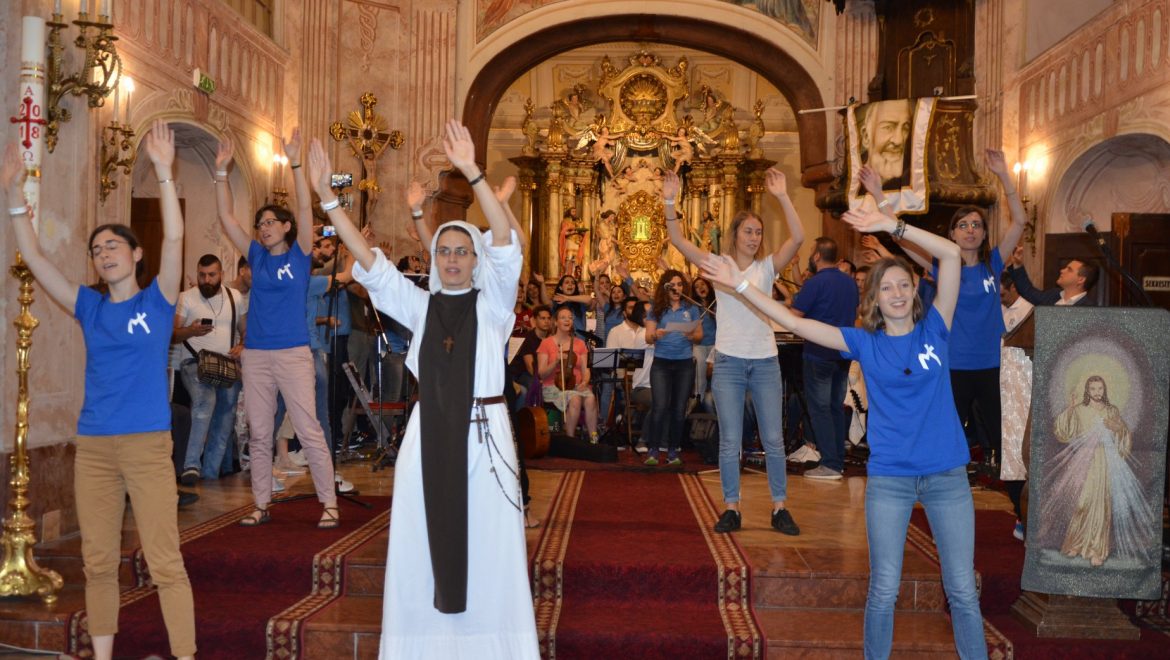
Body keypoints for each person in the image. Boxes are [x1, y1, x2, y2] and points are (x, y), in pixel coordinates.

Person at [700, 207, 985, 660]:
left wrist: (891, 227)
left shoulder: (936, 328)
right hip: (890, 478)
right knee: (884, 588)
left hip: (947, 475)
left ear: (915, 292)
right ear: (874, 298)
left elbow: (951, 255)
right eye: (886, 287)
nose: (896, 293)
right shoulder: (864, 342)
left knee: (963, 590)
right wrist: (741, 285)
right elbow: (796, 323)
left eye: (903, 285)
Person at [308, 120, 538, 657]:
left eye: (462, 251)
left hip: (484, 438)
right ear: (435, 260)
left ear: (476, 261)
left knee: (490, 546)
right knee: (422, 541)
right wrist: (328, 201)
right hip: (428, 437)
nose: (452, 258)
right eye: (444, 251)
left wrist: (473, 171)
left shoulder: (494, 306)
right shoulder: (419, 306)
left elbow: (505, 241)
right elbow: (370, 264)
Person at [4, 124, 196, 660]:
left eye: (113, 245)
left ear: (136, 254)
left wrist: (164, 171)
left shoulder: (157, 301)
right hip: (93, 448)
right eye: (95, 249)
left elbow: (175, 239)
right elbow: (37, 260)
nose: (103, 253)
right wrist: (13, 197)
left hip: (146, 445)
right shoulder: (89, 307)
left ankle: (185, 654)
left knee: (165, 561)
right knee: (98, 562)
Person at [664, 168, 803, 535]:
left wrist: (783, 196)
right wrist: (669, 200)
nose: (754, 238)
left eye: (759, 232)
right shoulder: (718, 265)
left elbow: (798, 237)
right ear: (735, 234)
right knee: (729, 441)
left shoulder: (767, 268)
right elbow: (677, 239)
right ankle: (732, 508)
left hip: (765, 362)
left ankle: (780, 507)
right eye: (748, 231)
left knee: (773, 439)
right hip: (728, 361)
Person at [214, 128, 338, 529]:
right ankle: (261, 503)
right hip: (256, 355)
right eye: (260, 223)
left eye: (271, 222)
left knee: (308, 429)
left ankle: (329, 503)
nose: (263, 227)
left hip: (293, 353)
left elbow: (303, 206)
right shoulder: (256, 256)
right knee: (259, 433)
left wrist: (296, 162)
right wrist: (221, 173)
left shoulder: (301, 254)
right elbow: (226, 218)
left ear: (286, 227)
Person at [1036, 376, 1155, 566]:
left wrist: (1118, 428)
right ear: (1087, 391)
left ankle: (1097, 549)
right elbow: (1063, 432)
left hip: (1105, 462)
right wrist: (1070, 408)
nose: (1097, 392)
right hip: (1083, 461)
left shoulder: (1111, 410)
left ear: (1104, 390)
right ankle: (1077, 542)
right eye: (1093, 389)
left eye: (1100, 388)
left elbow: (1123, 435)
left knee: (1101, 504)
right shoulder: (1080, 409)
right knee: (1082, 502)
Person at [173, 254, 247, 484]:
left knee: (225, 418)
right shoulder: (186, 298)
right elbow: (172, 334)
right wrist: (191, 331)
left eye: (211, 275)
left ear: (221, 274)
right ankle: (191, 466)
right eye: (202, 275)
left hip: (226, 365)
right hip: (194, 363)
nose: (206, 280)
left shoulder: (234, 297)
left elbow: (246, 329)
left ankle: (210, 475)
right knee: (205, 402)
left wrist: (242, 345)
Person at [792, 237, 860, 480]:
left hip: (818, 352)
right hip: (842, 352)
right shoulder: (849, 282)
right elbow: (853, 312)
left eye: (812, 250)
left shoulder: (815, 282)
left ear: (818, 256)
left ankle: (830, 464)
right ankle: (837, 461)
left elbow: (795, 316)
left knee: (820, 410)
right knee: (834, 408)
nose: (811, 255)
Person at [643, 271, 702, 465]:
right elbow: (648, 337)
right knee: (660, 407)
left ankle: (673, 451)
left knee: (679, 409)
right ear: (665, 288)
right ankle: (653, 450)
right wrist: (656, 335)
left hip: (684, 364)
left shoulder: (691, 308)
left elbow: (699, 335)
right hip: (661, 363)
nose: (677, 288)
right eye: (672, 285)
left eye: (680, 284)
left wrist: (691, 336)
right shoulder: (656, 308)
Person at [537, 307, 600, 442]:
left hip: (576, 385)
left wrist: (584, 382)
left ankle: (593, 438)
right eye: (563, 317)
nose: (567, 320)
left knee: (590, 399)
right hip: (554, 386)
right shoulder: (546, 343)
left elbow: (586, 370)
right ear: (555, 322)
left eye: (570, 318)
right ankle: (570, 440)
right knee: (575, 399)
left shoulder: (579, 343)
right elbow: (541, 374)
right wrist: (555, 362)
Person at [1006, 257, 1099, 307]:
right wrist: (1017, 265)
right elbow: (1027, 291)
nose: (1062, 270)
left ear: (1081, 279)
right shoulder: (1053, 295)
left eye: (1069, 269)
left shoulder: (1089, 310)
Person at [858, 100, 912, 183]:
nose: (899, 140)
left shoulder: (914, 176)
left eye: (905, 128)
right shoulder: (853, 176)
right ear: (866, 136)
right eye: (888, 127)